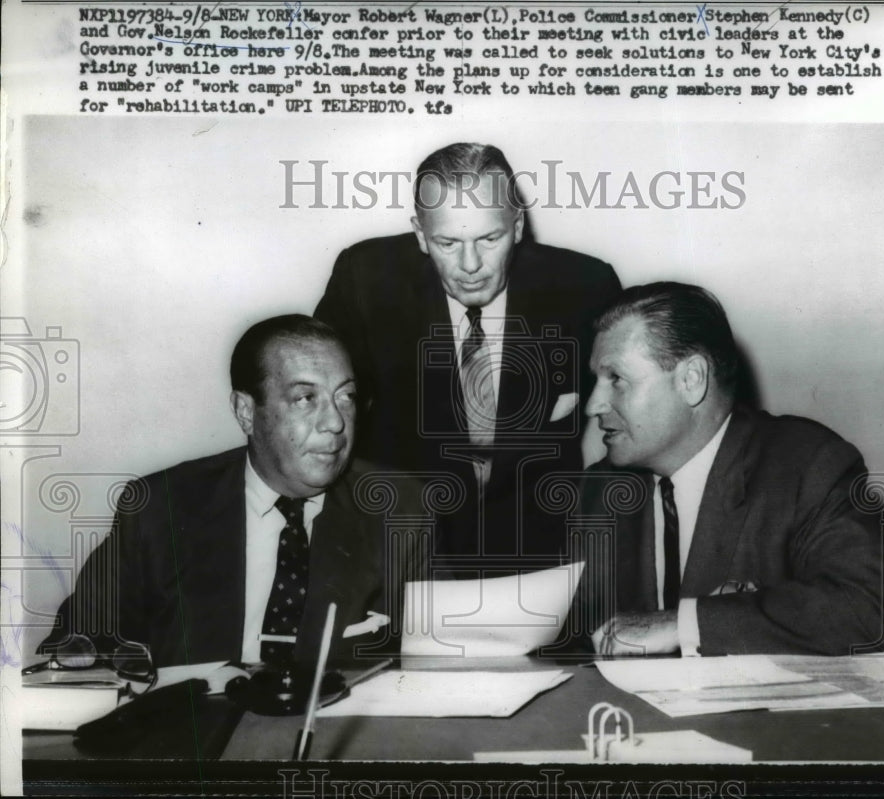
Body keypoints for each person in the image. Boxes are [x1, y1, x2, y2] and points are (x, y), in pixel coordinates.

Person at [39, 315, 428, 669]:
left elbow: (441, 656)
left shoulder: (402, 510)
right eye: (305, 398)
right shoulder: (160, 507)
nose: (335, 423)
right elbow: (80, 640)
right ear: (246, 412)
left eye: (346, 396)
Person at [315, 143, 621, 571]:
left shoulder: (586, 287)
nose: (470, 264)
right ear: (420, 235)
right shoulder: (365, 280)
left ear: (517, 226)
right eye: (447, 242)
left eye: (490, 239)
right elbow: (316, 401)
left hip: (540, 546)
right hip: (398, 543)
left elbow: (625, 415)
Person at [576, 282, 884, 656]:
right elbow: (574, 636)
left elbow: (876, 613)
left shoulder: (808, 466)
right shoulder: (600, 490)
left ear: (691, 380)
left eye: (616, 379)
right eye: (596, 381)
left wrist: (688, 624)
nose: (593, 405)